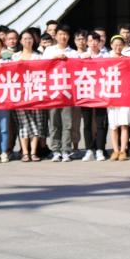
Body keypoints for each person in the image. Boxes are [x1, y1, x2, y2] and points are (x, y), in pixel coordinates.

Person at [44, 25, 79, 162]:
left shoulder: (73, 53)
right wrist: (55, 59)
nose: (63, 37)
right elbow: (42, 66)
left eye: (65, 34)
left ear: (68, 37)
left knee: (67, 124)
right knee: (54, 123)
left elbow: (78, 69)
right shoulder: (49, 51)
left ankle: (66, 150)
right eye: (60, 34)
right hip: (53, 93)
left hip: (68, 94)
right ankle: (55, 150)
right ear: (56, 36)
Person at [14, 28, 46, 162]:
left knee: (37, 123)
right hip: (20, 95)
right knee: (23, 124)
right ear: (21, 41)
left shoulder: (39, 56)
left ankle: (33, 152)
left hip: (36, 94)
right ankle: (25, 152)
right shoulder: (15, 57)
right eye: (25, 39)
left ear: (33, 41)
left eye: (30, 38)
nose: (27, 41)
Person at [77, 33, 109, 161]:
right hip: (86, 93)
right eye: (91, 41)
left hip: (101, 93)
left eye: (96, 40)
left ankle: (100, 149)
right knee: (87, 123)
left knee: (101, 122)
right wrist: (83, 60)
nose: (93, 43)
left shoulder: (105, 56)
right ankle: (89, 149)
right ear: (87, 43)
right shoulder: (82, 56)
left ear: (100, 42)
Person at [106, 35, 130, 160]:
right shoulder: (105, 60)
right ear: (111, 45)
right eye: (115, 45)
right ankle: (115, 150)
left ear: (123, 46)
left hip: (125, 96)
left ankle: (123, 150)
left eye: (120, 44)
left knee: (124, 124)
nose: (118, 47)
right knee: (113, 125)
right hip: (112, 95)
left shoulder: (128, 60)